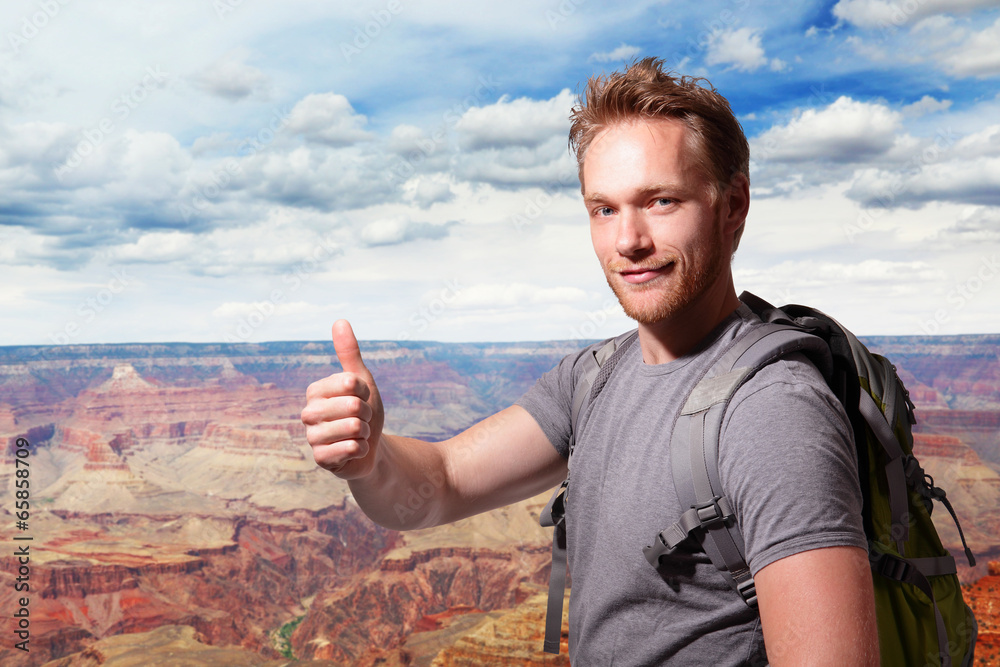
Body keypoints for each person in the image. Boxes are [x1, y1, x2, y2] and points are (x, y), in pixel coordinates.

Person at [301, 58, 879, 665]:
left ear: (733, 205)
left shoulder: (771, 414)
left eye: (660, 201)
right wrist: (369, 458)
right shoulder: (594, 379)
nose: (628, 241)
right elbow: (440, 485)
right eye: (604, 209)